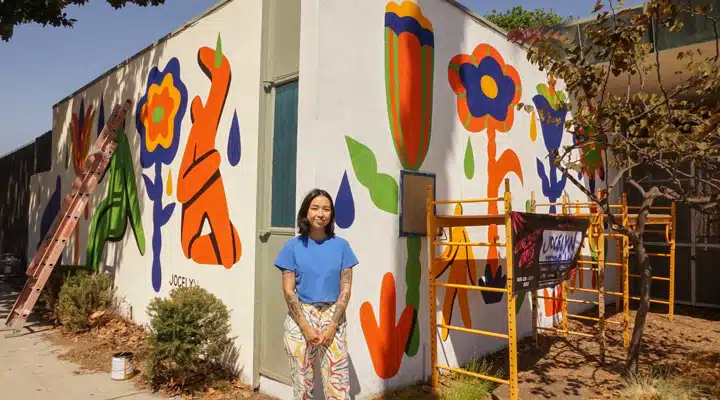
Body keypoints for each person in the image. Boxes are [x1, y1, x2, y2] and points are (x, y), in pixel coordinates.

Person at [274, 189, 358, 400]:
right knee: (302, 384)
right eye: (315, 208)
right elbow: (288, 291)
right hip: (300, 316)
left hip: (333, 316)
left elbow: (346, 288)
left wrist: (332, 326)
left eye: (326, 209)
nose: (321, 213)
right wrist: (305, 326)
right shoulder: (292, 247)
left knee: (338, 384)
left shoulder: (341, 246)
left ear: (331, 214)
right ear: (306, 212)